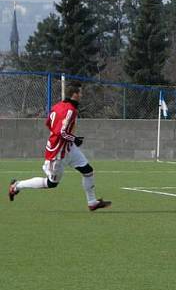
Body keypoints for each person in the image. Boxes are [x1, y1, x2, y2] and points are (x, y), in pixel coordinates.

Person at [8, 82, 111, 211]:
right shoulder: (71, 110)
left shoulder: (57, 106)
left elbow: (49, 124)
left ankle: (92, 202)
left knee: (88, 171)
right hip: (58, 153)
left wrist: (69, 140)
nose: (81, 95)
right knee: (51, 183)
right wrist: (75, 139)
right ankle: (17, 186)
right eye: (80, 92)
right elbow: (61, 132)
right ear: (74, 94)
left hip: (68, 148)